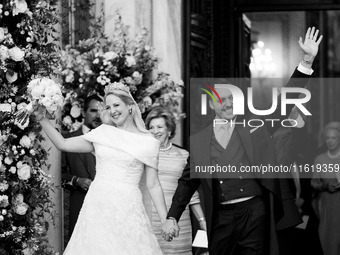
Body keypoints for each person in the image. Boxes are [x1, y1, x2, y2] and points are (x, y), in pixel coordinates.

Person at [162, 27, 323, 255]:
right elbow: (188, 182)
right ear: (211, 104)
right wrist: (171, 216)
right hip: (221, 215)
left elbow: (285, 103)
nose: (227, 104)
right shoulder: (198, 140)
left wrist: (307, 61)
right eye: (221, 100)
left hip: (254, 211)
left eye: (231, 98)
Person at [34, 82, 168, 254]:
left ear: (130, 106)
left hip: (127, 208)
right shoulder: (103, 133)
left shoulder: (148, 142)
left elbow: (153, 185)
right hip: (96, 206)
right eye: (109, 106)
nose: (113, 111)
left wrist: (166, 220)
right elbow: (63, 143)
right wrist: (41, 119)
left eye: (117, 105)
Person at [145, 107, 207, 255]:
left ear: (170, 131)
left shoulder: (183, 155)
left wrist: (202, 220)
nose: (155, 131)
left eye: (160, 127)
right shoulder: (143, 155)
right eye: (151, 127)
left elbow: (191, 192)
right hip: (150, 219)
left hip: (179, 219)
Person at [61, 94, 102, 242]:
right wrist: (76, 180)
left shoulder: (111, 140)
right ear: (84, 113)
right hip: (79, 206)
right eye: (93, 111)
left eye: (101, 111)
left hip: (107, 208)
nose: (98, 116)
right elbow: (59, 174)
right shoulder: (68, 139)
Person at [311, 121, 340, 255]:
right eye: (327, 138)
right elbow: (313, 183)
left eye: (333, 138)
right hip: (327, 206)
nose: (330, 141)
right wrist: (325, 186)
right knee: (327, 240)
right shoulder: (320, 159)